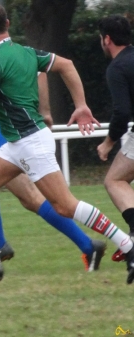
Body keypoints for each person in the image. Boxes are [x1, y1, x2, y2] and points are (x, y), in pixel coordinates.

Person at [0, 3, 134, 284]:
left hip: (29, 143)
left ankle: (128, 244)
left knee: (65, 205)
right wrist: (81, 104)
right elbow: (67, 65)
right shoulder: (26, 52)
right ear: (8, 24)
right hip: (19, 142)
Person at [96, 15, 134, 262]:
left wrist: (108, 143)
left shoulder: (117, 68)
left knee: (115, 180)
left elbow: (122, 113)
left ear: (107, 39)